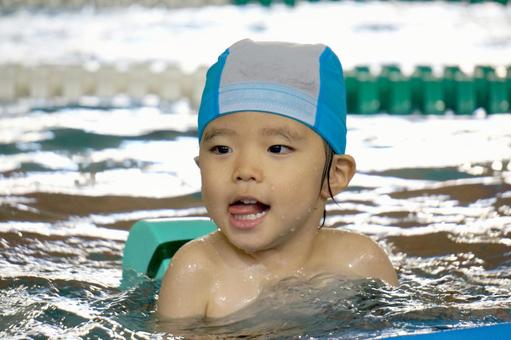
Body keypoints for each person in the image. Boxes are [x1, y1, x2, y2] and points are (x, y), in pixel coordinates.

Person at [157, 39, 398, 320]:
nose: (244, 169)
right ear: (200, 166)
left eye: (276, 149)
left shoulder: (359, 263)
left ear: (334, 176)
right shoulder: (196, 273)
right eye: (222, 149)